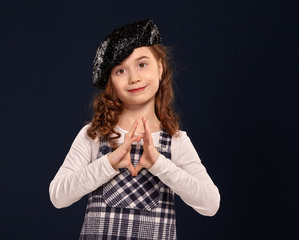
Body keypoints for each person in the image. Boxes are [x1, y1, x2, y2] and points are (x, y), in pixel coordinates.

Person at [49, 19, 220, 240]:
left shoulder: (175, 141)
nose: (134, 78)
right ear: (110, 81)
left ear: (159, 67)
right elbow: (58, 196)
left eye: (142, 64)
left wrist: (158, 163)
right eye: (120, 70)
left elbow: (210, 204)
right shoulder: (93, 135)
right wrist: (110, 162)